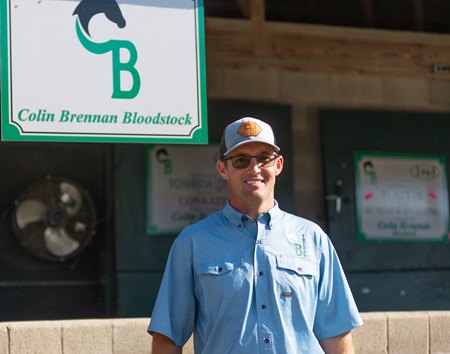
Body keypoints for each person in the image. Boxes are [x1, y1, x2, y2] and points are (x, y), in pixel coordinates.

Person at [148, 117, 363, 354]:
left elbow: (336, 335)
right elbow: (168, 338)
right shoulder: (192, 243)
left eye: (264, 158)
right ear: (223, 169)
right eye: (241, 160)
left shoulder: (313, 239)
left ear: (278, 165)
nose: (255, 168)